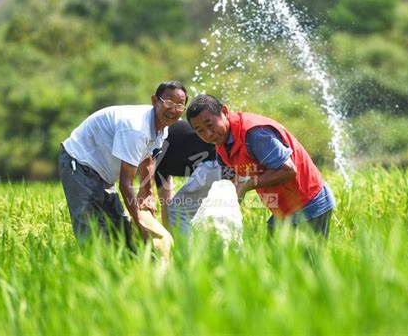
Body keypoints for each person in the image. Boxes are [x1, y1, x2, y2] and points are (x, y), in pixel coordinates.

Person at [186, 94, 335, 237]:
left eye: (210, 125)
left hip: (310, 202)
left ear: (224, 112)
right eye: (200, 131)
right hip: (284, 208)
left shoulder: (255, 134)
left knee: (307, 262)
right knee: (272, 260)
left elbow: (288, 170)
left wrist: (248, 184)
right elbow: (232, 184)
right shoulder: (221, 143)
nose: (208, 134)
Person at [58, 81, 187, 244]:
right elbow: (125, 184)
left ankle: (129, 267)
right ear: (155, 101)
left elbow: (148, 159)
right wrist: (139, 221)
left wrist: (147, 193)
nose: (173, 109)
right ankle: (92, 268)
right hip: (79, 164)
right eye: (169, 102)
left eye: (180, 105)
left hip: (103, 175)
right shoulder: (136, 128)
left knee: (122, 232)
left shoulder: (162, 127)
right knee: (92, 233)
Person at [153, 120, 223, 235]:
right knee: (209, 214)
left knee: (179, 211)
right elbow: (165, 200)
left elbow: (166, 206)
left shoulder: (153, 149)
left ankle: (184, 252)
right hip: (225, 162)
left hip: (215, 162)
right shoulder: (160, 150)